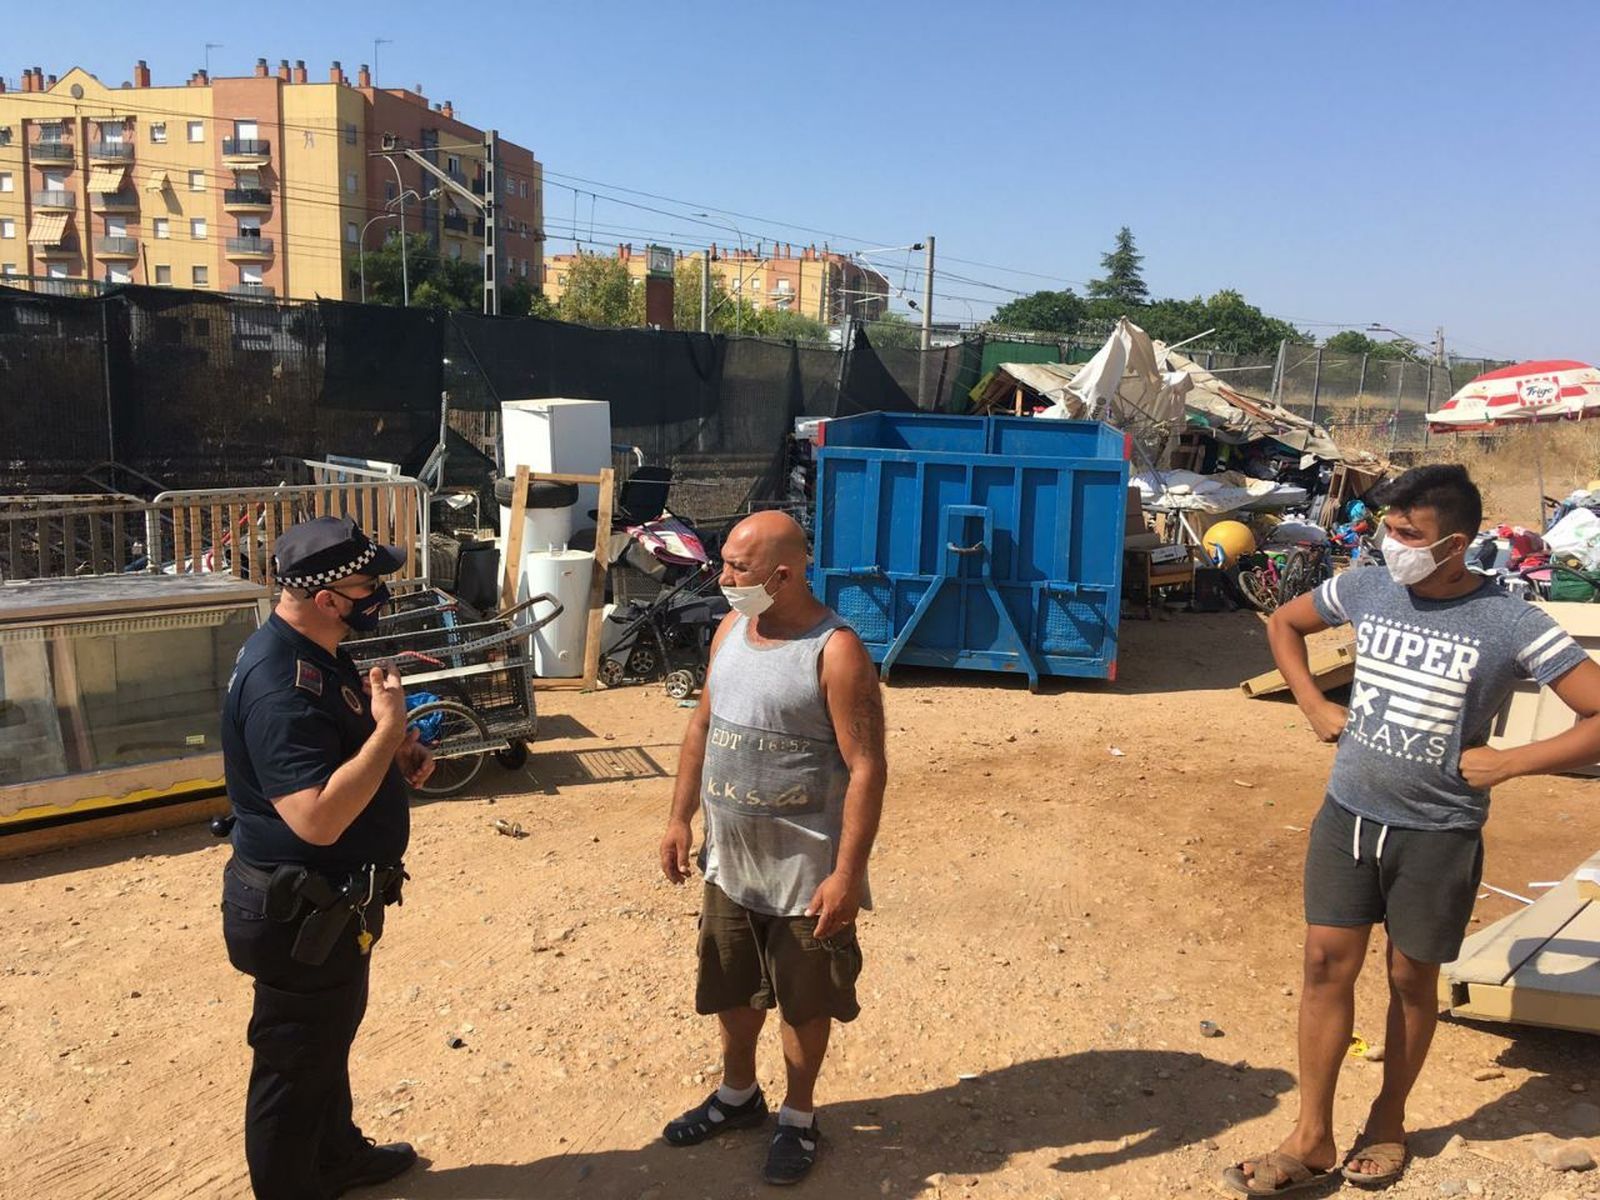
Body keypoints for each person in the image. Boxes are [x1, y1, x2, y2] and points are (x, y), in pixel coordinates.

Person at [1219, 465, 1600, 1195]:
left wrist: (1513, 761)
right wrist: (1309, 702)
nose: (1391, 545)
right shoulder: (1368, 586)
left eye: (1408, 535)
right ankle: (1312, 1134)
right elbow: (1284, 623)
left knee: (1409, 977)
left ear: (1455, 543)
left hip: (1439, 833)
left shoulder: (1510, 621)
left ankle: (1389, 1121)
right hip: (1348, 817)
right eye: (1388, 530)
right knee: (1325, 966)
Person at [657, 510, 888, 1187]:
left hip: (803, 873)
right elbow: (702, 726)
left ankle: (799, 1116)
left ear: (781, 576)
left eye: (736, 568)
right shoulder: (730, 629)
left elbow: (867, 766)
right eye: (725, 562)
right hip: (730, 864)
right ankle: (737, 1096)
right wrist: (678, 819)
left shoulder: (836, 651)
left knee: (804, 1002)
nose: (722, 577)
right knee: (733, 988)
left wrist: (847, 874)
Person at [219, 515, 434, 1199]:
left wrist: (389, 744)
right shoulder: (280, 684)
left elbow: (338, 744)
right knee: (292, 1068)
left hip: (332, 907)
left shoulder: (317, 647)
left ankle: (335, 1156)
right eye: (369, 584)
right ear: (325, 598)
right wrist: (390, 731)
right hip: (297, 909)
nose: (379, 595)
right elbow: (314, 817)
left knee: (325, 1044)